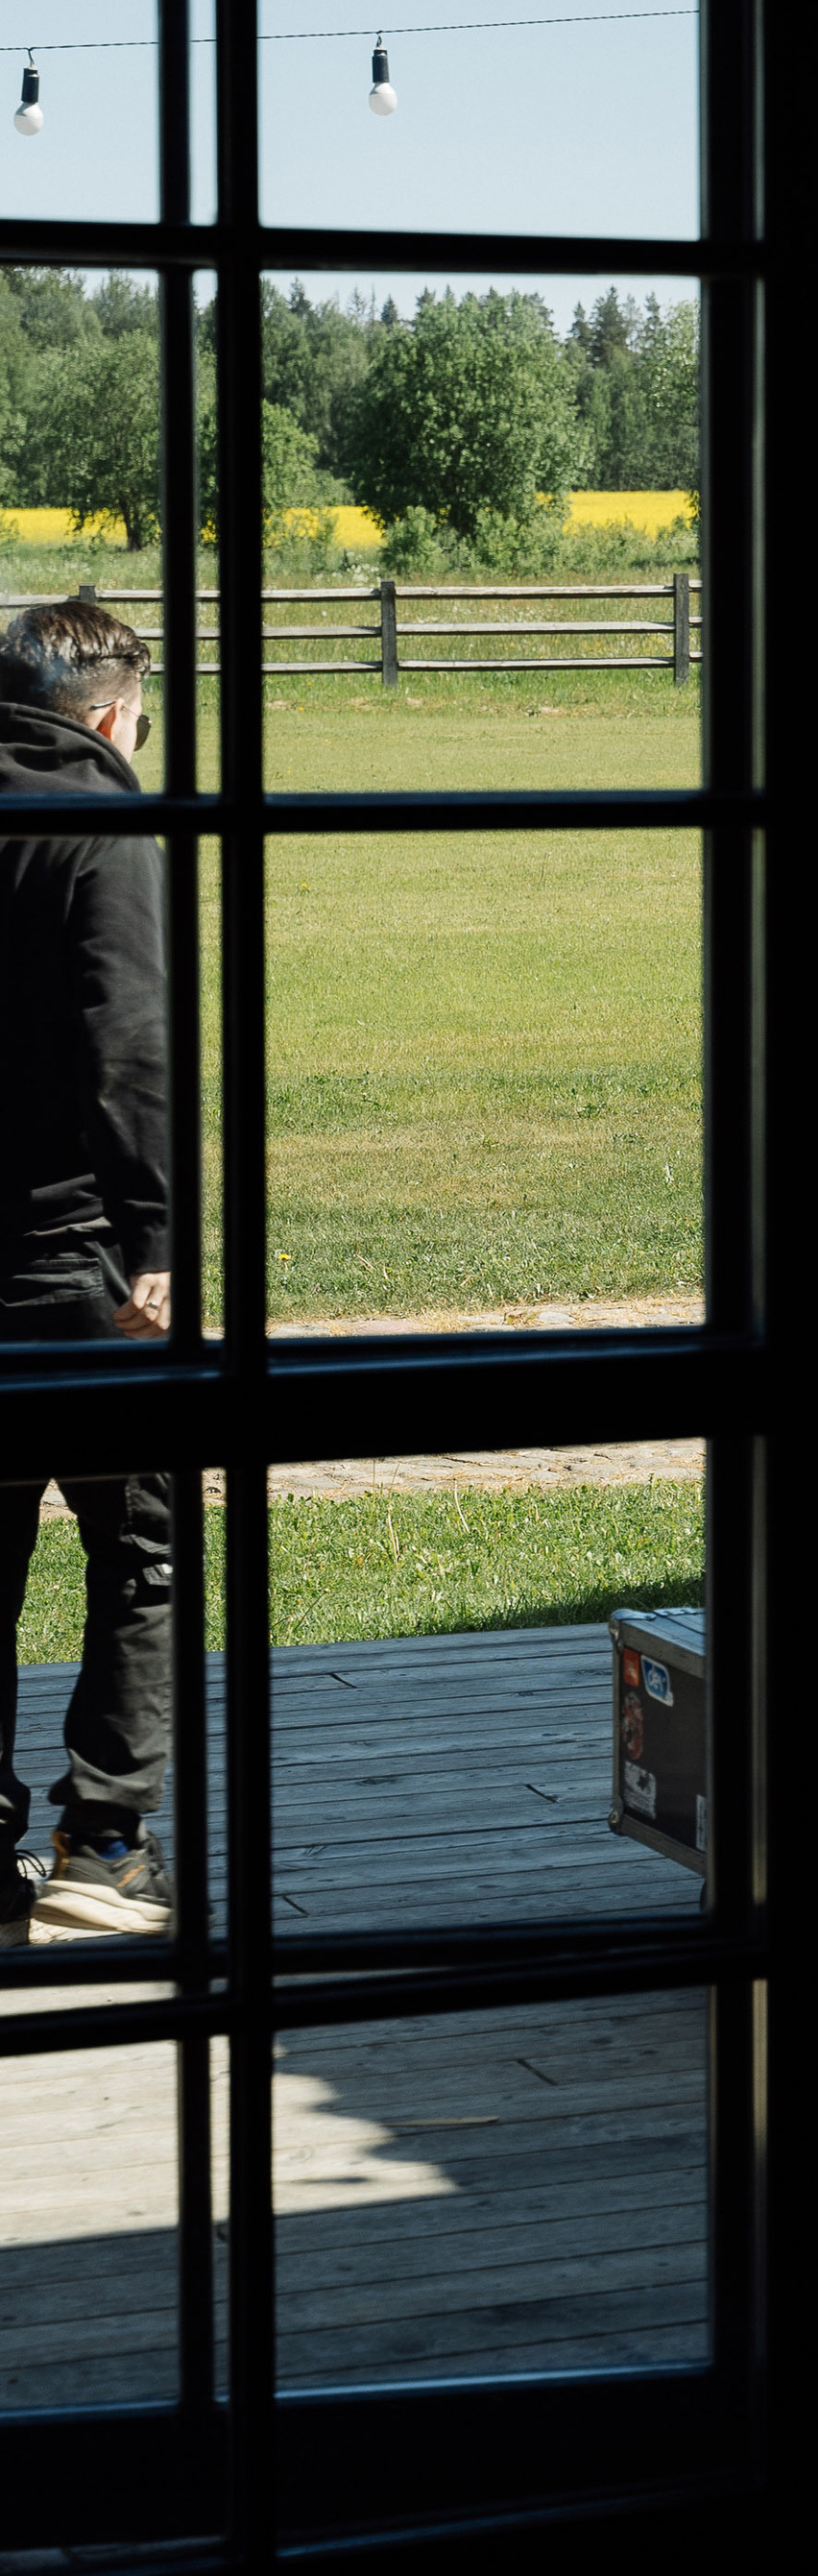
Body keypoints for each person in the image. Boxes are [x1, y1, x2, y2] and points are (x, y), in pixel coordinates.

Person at [0, 600, 175, 1943]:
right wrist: (154, 1239)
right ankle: (102, 1847)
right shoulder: (101, 827)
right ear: (113, 715)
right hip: (77, 1255)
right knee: (142, 1547)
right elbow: (131, 1050)